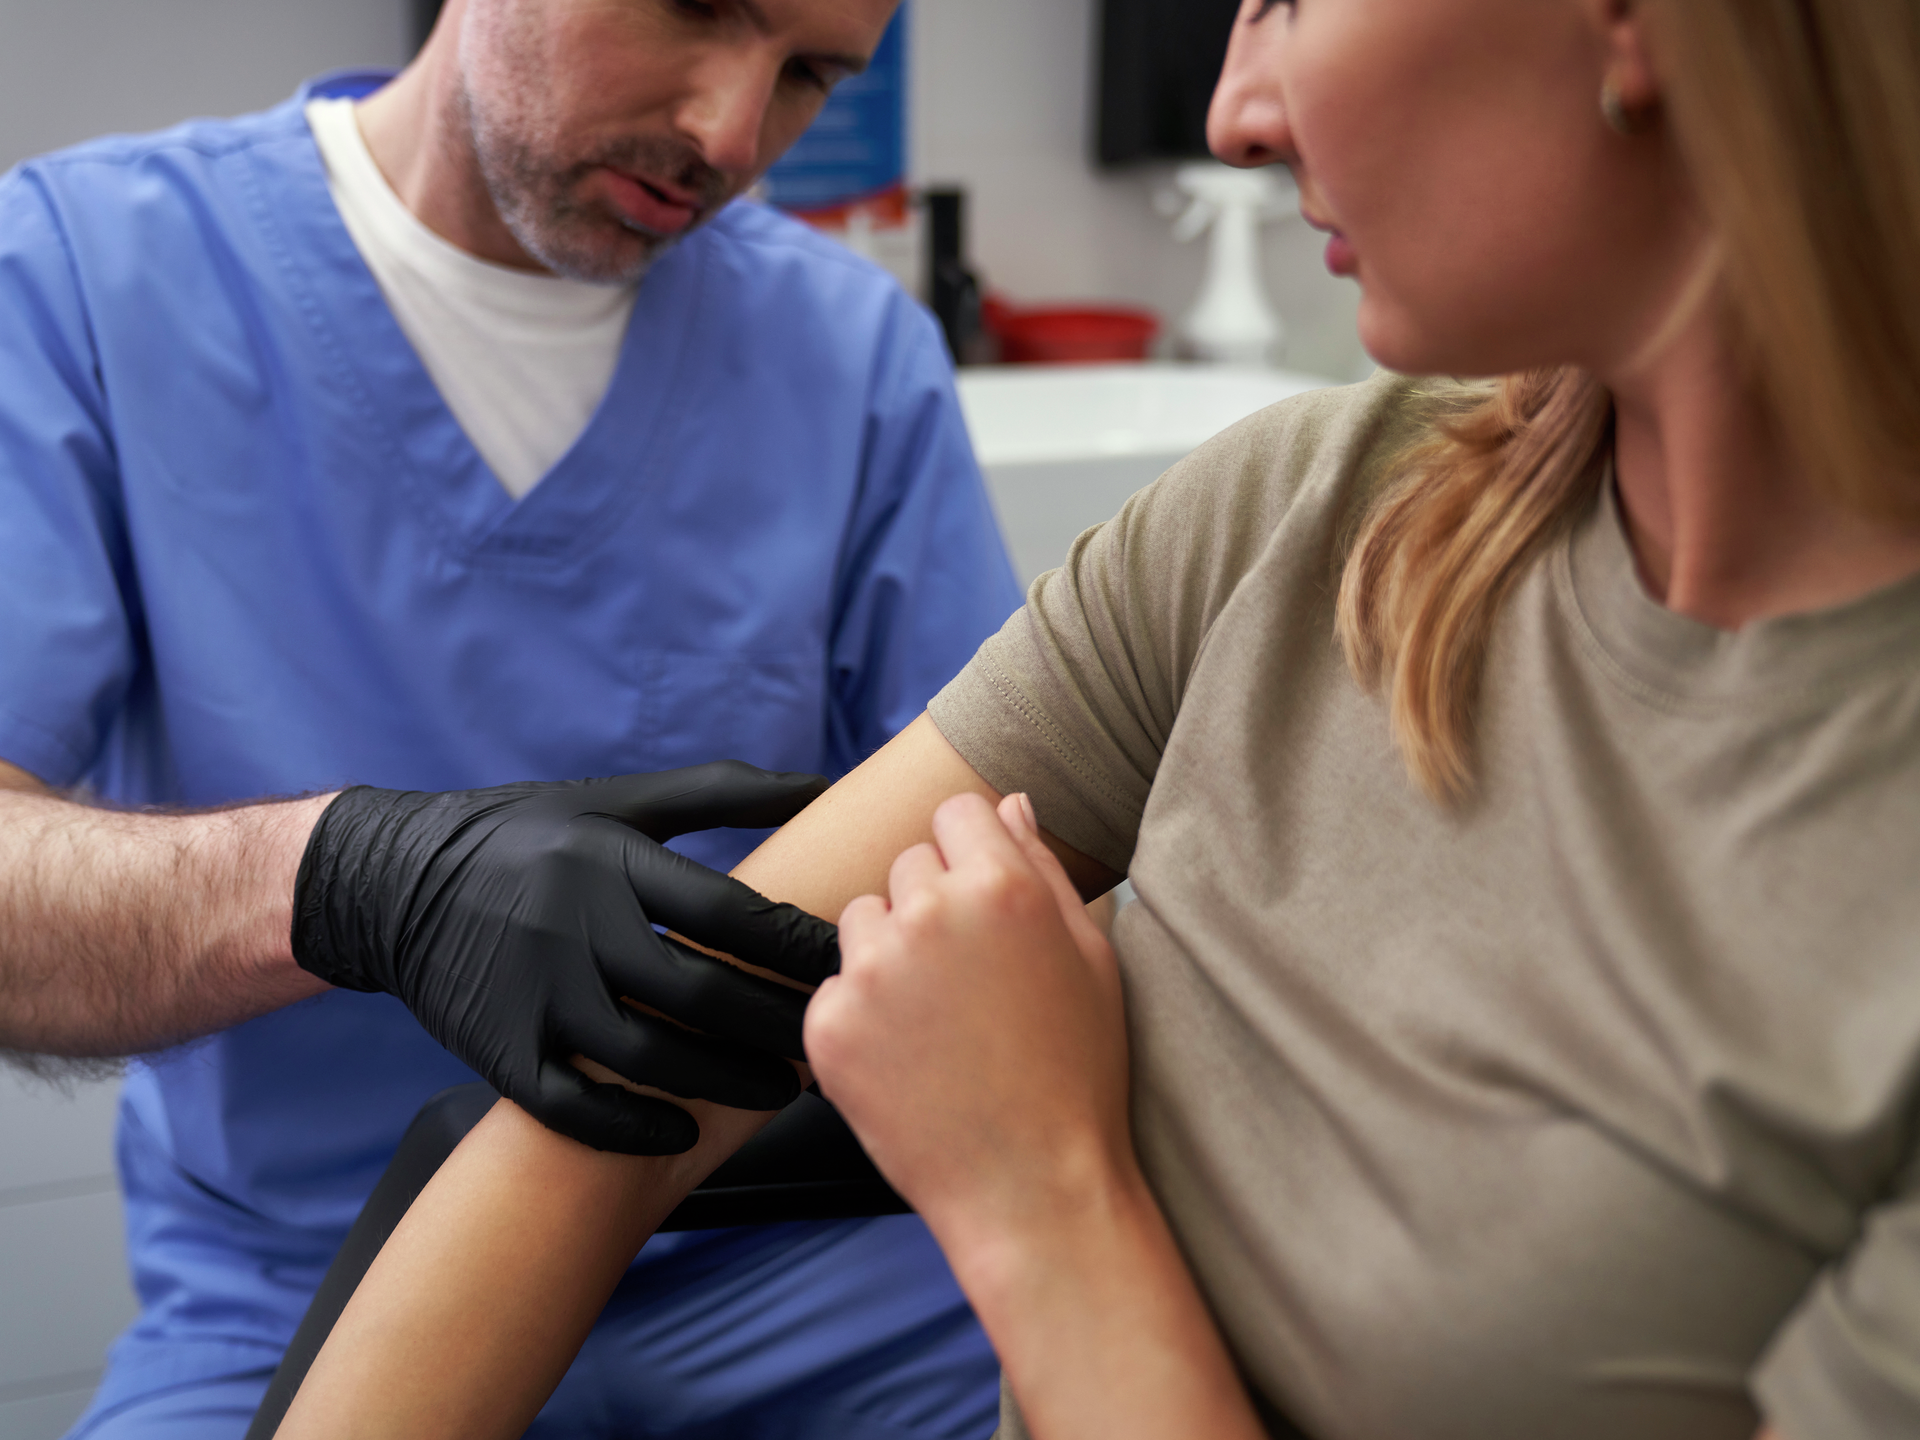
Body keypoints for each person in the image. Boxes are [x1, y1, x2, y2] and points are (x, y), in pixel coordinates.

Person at [254, 0, 1920, 1436]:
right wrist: (338, 877)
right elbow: (638, 1077)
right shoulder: (1307, 517)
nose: (1234, 112)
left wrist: (1042, 1193)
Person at [0, 0, 1023, 1436]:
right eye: (694, 6)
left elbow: (993, 861)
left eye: (809, 74)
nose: (734, 134)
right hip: (311, 1283)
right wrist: (349, 883)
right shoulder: (80, 280)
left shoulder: (851, 356)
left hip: (794, 1265)